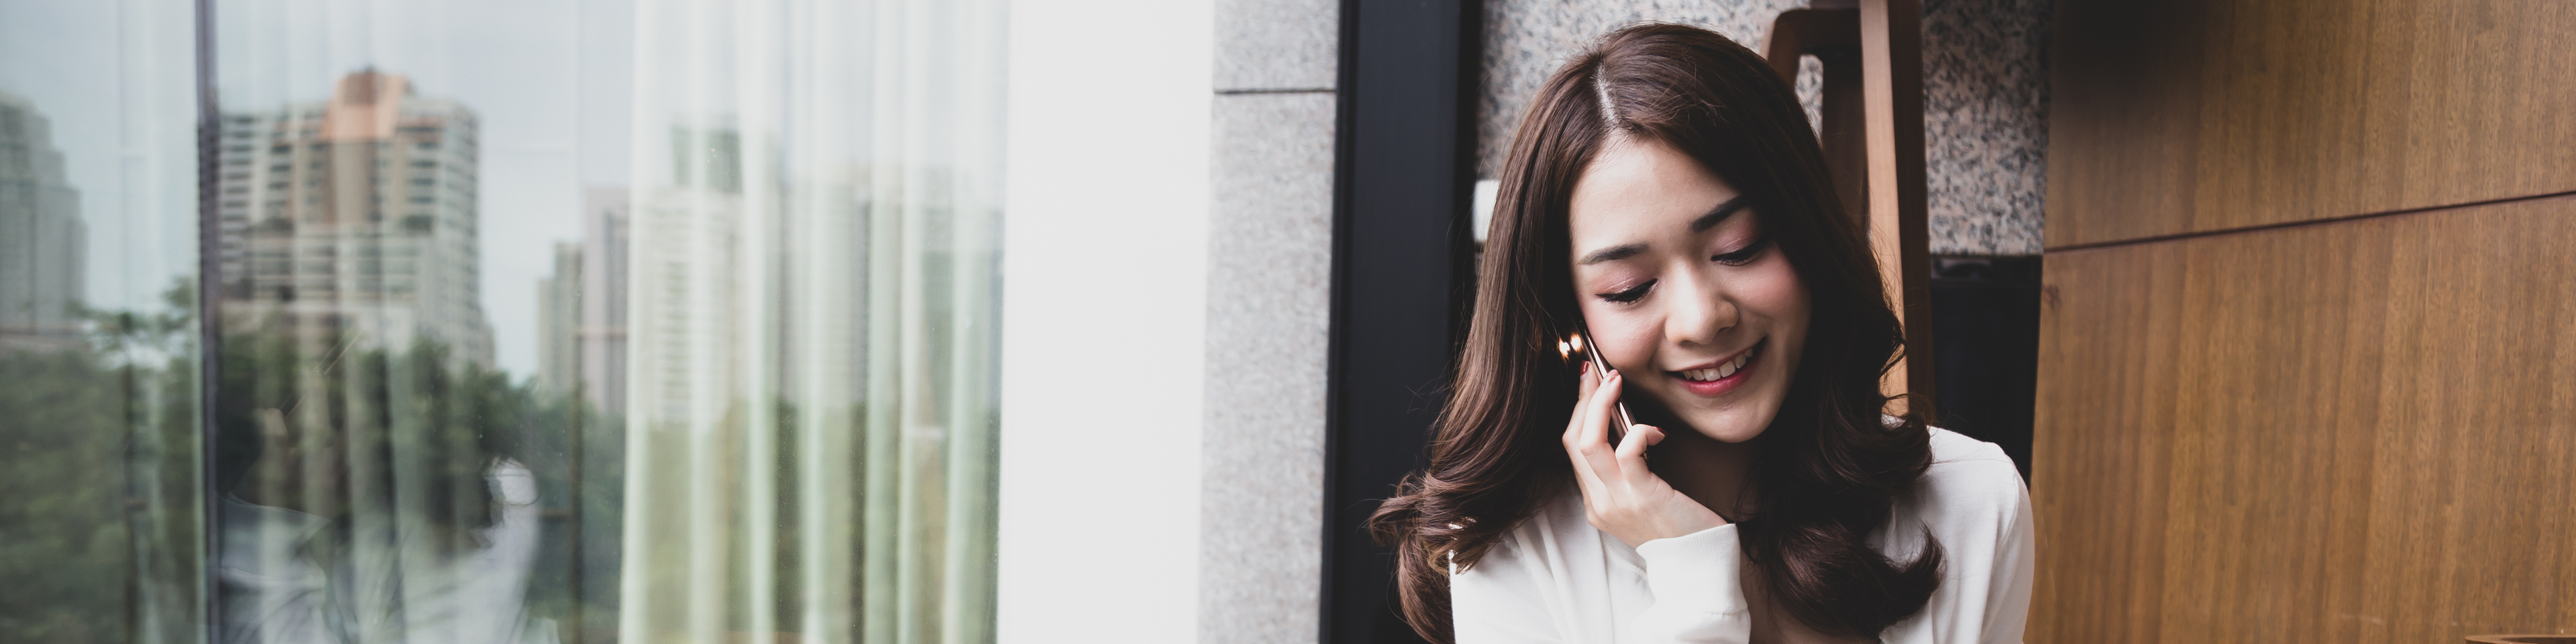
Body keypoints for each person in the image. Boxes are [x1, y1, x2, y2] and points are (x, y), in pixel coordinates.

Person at [1368, 23, 2033, 644]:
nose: (1701, 319)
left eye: (1740, 249)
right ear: (1569, 319)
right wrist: (1694, 584)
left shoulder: (1974, 499)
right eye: (1629, 289)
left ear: (1810, 234)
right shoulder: (1512, 543)